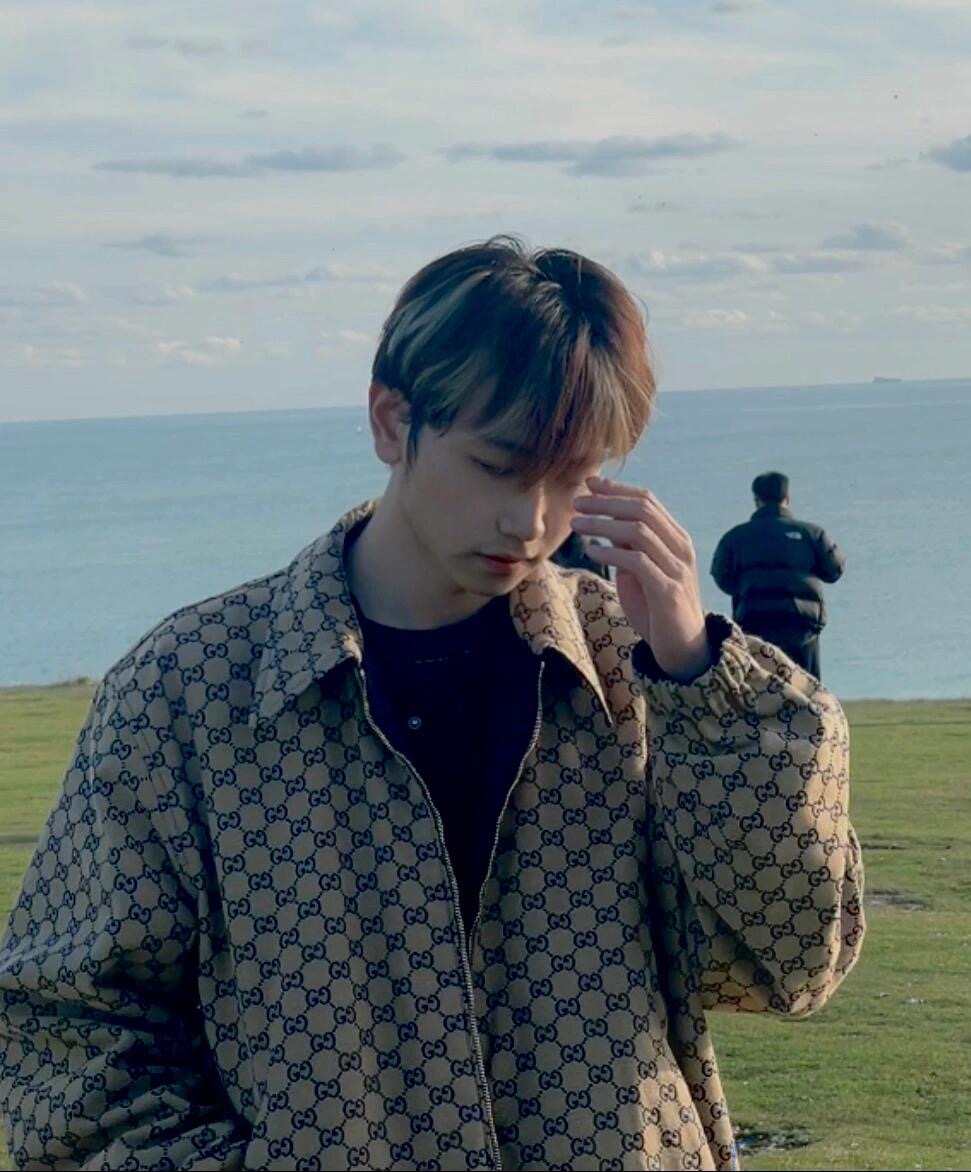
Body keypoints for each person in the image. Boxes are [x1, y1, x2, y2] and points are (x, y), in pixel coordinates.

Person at [0, 237, 864, 1171]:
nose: (532, 520)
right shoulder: (192, 691)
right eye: (499, 465)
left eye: (572, 477)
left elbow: (787, 967)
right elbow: (69, 1033)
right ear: (390, 419)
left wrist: (701, 679)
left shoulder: (642, 677)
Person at [709, 471, 845, 680]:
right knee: (808, 687)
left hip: (754, 621)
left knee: (761, 685)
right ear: (787, 499)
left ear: (756, 501)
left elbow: (723, 578)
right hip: (802, 623)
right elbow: (834, 571)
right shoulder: (812, 534)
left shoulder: (735, 538)